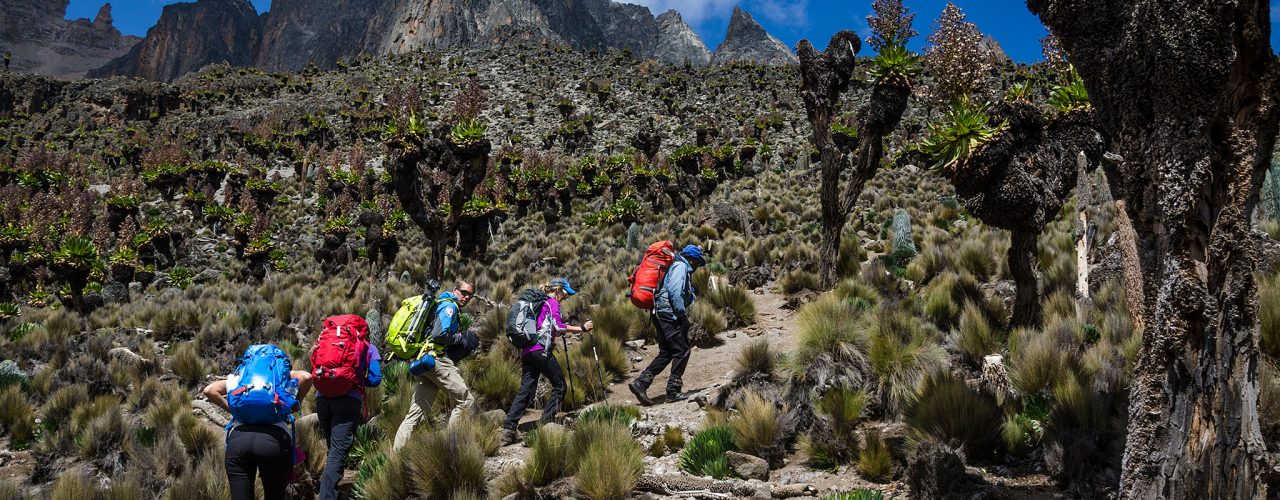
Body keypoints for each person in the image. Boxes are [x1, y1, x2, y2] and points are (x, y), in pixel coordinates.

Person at [500, 278, 593, 444]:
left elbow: (549, 328)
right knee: (560, 386)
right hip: (541, 351)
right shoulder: (551, 303)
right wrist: (582, 328)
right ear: (557, 290)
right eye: (564, 294)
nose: (565, 298)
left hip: (527, 351)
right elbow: (558, 327)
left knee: (526, 390)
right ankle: (545, 423)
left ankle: (509, 427)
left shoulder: (538, 304)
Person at [203, 360, 313, 500]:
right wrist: (295, 406)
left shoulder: (240, 379)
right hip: (274, 441)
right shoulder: (280, 376)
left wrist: (234, 411)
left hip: (238, 440)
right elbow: (307, 377)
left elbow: (209, 390)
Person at [391, 280, 478, 451]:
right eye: (464, 292)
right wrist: (459, 338)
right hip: (437, 359)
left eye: (470, 295)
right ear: (455, 290)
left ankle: (397, 456)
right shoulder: (449, 307)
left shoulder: (440, 303)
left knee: (415, 414)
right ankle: (451, 450)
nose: (467, 297)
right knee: (465, 401)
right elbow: (439, 335)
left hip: (425, 363)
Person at [629, 244, 704, 405]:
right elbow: (675, 292)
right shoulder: (680, 267)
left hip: (660, 313)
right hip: (668, 314)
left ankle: (640, 383)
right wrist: (681, 314)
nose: (698, 267)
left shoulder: (675, 265)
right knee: (682, 350)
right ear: (692, 260)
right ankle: (673, 391)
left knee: (667, 353)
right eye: (698, 263)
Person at [316, 328, 382, 500]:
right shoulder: (368, 347)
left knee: (333, 449)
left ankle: (330, 489)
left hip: (322, 399)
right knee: (338, 451)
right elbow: (375, 379)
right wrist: (356, 379)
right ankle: (327, 496)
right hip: (348, 401)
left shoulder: (327, 343)